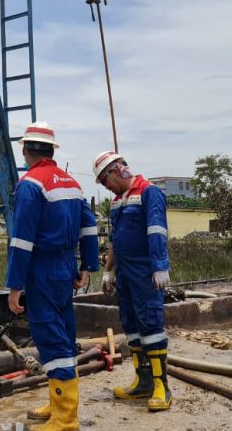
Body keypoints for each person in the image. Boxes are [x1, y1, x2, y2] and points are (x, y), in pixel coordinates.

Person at [6, 122, 99, 431]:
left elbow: (21, 240)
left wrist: (15, 285)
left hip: (42, 269)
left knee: (50, 337)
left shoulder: (31, 184)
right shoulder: (71, 183)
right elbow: (89, 227)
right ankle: (57, 401)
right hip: (65, 266)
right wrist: (85, 266)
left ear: (26, 150)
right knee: (63, 332)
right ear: (51, 149)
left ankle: (65, 418)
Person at [92, 150, 172, 412]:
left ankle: (161, 386)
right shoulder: (117, 202)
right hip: (125, 273)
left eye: (105, 181)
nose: (105, 187)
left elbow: (157, 230)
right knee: (131, 326)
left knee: (151, 324)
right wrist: (108, 270)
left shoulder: (149, 192)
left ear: (115, 171)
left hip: (145, 271)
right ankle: (143, 382)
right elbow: (116, 238)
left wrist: (160, 267)